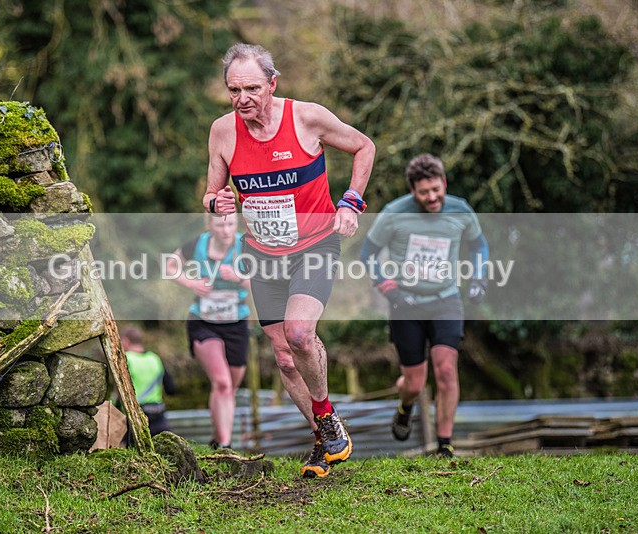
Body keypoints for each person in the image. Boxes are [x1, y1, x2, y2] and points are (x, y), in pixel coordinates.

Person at [202, 43, 375, 477]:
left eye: (252, 88)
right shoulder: (223, 132)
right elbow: (211, 193)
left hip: (314, 246)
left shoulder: (307, 118)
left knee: (300, 334)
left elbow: (364, 146)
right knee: (282, 357)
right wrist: (215, 203)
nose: (243, 99)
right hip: (262, 255)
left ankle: (326, 415)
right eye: (234, 90)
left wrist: (351, 202)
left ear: (273, 84)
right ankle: (324, 439)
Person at [361, 153, 488, 458]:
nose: (433, 197)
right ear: (412, 191)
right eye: (424, 192)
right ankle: (405, 407)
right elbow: (367, 253)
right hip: (406, 304)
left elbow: (478, 245)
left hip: (446, 300)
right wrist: (390, 290)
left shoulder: (461, 210)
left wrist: (479, 277)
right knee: (415, 384)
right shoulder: (394, 214)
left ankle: (445, 444)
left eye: (436, 189)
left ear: (444, 183)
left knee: (446, 371)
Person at [164, 214, 251, 450]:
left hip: (237, 322)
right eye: (220, 224)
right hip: (203, 321)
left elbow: (266, 280)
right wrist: (192, 283)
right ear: (210, 225)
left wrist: (240, 277)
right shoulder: (197, 245)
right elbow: (170, 266)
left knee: (228, 388)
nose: (226, 230)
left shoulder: (245, 245)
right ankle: (225, 444)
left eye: (231, 224)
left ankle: (217, 436)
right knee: (222, 383)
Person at [119, 324, 178, 438]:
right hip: (158, 415)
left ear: (126, 341)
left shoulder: (126, 359)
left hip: (136, 415)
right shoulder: (154, 359)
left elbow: (119, 392)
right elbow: (171, 389)